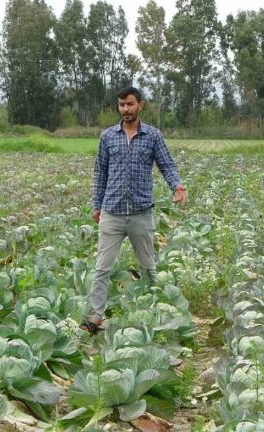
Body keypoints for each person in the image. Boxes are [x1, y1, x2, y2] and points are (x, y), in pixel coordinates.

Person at [80, 86, 187, 334]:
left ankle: (157, 311)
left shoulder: (152, 136)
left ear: (141, 105)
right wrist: (96, 205)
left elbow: (166, 164)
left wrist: (177, 185)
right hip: (112, 212)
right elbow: (100, 173)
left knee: (148, 266)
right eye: (121, 105)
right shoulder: (107, 137)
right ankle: (95, 317)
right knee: (102, 267)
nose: (125, 109)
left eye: (130, 104)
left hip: (141, 212)